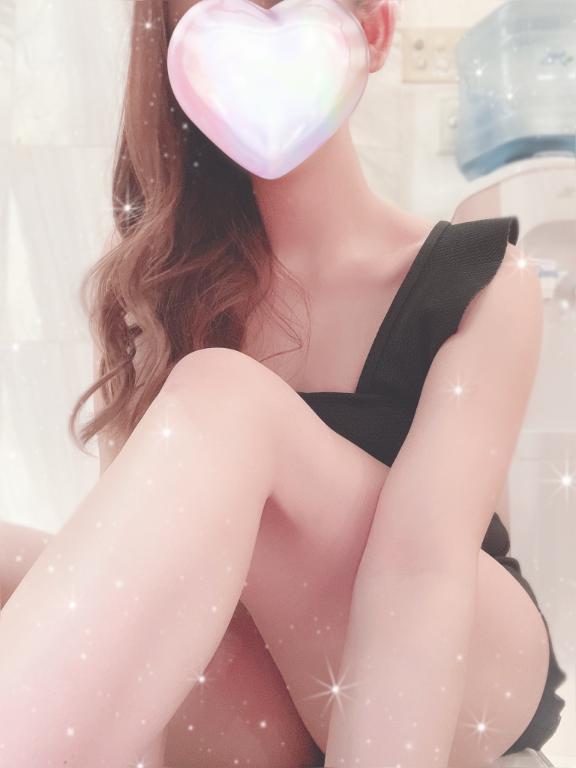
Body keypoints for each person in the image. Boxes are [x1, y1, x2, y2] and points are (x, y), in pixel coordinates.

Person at [0, 0, 567, 766]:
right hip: (264, 677)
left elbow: (423, 566)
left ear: (373, 31)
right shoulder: (163, 298)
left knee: (226, 398)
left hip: (463, 655)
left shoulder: (481, 278)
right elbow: (145, 573)